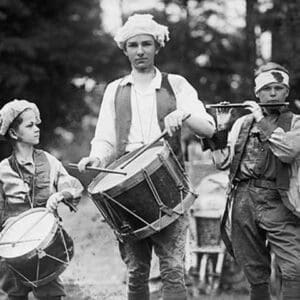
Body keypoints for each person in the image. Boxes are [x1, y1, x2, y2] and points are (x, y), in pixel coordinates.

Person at [78, 13, 215, 300]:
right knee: (137, 271)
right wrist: (95, 158)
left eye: (146, 44)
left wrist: (184, 113)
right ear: (125, 49)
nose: (140, 51)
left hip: (170, 184)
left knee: (173, 269)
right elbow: (104, 139)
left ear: (157, 46)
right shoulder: (114, 90)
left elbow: (209, 127)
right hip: (126, 188)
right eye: (133, 45)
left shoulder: (175, 84)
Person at [206, 62, 300, 300]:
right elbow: (222, 163)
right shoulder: (242, 123)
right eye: (267, 89)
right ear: (257, 93)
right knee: (255, 271)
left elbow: (287, 151)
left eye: (278, 88)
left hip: (279, 201)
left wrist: (261, 118)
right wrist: (222, 128)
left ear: (286, 92)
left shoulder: (296, 123)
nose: (272, 93)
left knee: (294, 267)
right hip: (243, 199)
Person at [0, 99, 83, 300]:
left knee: (50, 295)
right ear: (13, 133)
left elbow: (73, 186)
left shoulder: (49, 160)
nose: (37, 129)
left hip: (45, 246)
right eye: (30, 125)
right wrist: (6, 224)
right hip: (12, 248)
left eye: (36, 124)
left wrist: (60, 194)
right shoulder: (3, 170)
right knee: (14, 294)